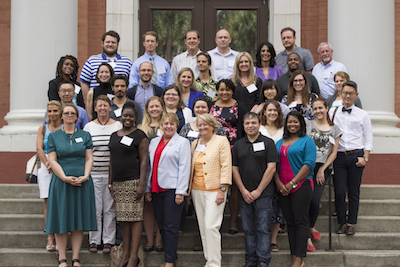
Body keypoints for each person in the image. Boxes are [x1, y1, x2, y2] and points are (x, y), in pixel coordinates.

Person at [46, 103, 97, 267]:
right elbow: (52, 160)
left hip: (82, 182)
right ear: (61, 116)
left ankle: (75, 258)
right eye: (66, 113)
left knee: (78, 220)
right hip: (61, 183)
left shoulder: (85, 135)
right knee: (62, 219)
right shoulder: (53, 136)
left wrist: (86, 176)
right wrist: (64, 177)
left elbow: (89, 158)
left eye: (72, 113)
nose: (69, 116)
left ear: (76, 117)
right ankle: (62, 258)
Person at [233, 112, 278, 267]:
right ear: (243, 126)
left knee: (263, 229)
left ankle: (263, 260)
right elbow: (234, 169)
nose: (250, 125)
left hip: (263, 194)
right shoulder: (238, 145)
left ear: (260, 124)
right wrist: (243, 190)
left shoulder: (268, 143)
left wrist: (258, 191)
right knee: (248, 229)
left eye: (253, 122)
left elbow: (271, 168)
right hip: (244, 195)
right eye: (247, 123)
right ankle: (250, 260)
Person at [145, 113, 191, 267]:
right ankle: (172, 254)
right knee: (162, 224)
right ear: (161, 125)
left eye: (172, 124)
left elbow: (185, 168)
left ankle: (169, 261)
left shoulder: (182, 142)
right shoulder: (154, 141)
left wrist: (181, 191)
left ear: (177, 126)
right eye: (165, 124)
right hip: (156, 189)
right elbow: (150, 167)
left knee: (171, 226)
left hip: (173, 189)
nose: (168, 126)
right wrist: (148, 188)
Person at [329, 81, 373, 236]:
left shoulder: (363, 114)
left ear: (356, 95)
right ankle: (341, 222)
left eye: (351, 93)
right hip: (339, 156)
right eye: (345, 92)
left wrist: (365, 157)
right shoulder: (333, 113)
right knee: (340, 191)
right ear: (340, 93)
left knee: (353, 192)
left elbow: (368, 138)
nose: (347, 96)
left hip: (356, 156)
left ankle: (351, 223)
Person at [274, 110, 316, 267]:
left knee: (300, 221)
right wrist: (278, 183)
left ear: (301, 124)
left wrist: (292, 183)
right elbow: (274, 165)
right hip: (282, 187)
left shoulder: (307, 141)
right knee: (290, 222)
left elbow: (309, 164)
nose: (292, 124)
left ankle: (299, 258)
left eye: (295, 121)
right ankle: (294, 253)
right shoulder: (279, 142)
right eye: (289, 122)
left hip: (301, 185)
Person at [109, 102, 148, 267]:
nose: (128, 118)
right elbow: (112, 161)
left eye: (131, 116)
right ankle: (124, 254)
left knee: (136, 218)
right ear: (121, 116)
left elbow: (144, 161)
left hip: (133, 182)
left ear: (135, 118)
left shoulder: (140, 135)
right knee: (124, 219)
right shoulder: (114, 135)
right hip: (118, 184)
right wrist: (110, 184)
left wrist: (141, 184)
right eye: (125, 115)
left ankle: (133, 256)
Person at [190, 114, 232, 267]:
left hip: (215, 190)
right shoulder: (194, 143)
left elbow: (226, 165)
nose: (202, 127)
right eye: (199, 125)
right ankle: (209, 260)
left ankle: (214, 263)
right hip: (196, 189)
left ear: (212, 125)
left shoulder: (221, 141)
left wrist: (223, 189)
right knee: (203, 227)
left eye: (205, 124)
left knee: (211, 226)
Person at [83, 95, 122, 254]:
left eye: (105, 105)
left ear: (109, 107)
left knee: (109, 209)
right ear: (95, 108)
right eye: (100, 106)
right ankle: (94, 240)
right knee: (95, 208)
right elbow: (85, 152)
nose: (103, 108)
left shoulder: (117, 125)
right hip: (93, 174)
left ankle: (108, 240)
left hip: (111, 174)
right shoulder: (88, 127)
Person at [210, 79, 247, 235]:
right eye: (221, 89)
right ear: (217, 90)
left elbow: (245, 128)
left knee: (234, 187)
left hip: (234, 148)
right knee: (216, 185)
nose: (224, 93)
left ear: (232, 91)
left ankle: (233, 221)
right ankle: (214, 222)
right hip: (214, 149)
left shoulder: (240, 106)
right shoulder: (211, 106)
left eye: (228, 90)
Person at [305, 98, 341, 251]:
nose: (318, 111)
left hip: (322, 168)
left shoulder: (335, 129)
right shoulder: (308, 125)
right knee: (305, 201)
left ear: (327, 108)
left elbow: (333, 153)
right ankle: (307, 237)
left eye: (320, 108)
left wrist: (322, 169)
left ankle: (311, 226)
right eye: (315, 108)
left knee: (315, 200)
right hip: (306, 167)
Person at [137, 96, 165, 252]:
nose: (154, 109)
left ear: (162, 107)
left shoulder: (167, 125)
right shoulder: (141, 128)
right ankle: (149, 240)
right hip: (146, 170)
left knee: (160, 207)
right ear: (147, 109)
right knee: (147, 207)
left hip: (163, 171)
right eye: (151, 106)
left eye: (157, 106)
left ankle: (159, 240)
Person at [258, 100, 285, 252]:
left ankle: (273, 240)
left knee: (277, 206)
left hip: (281, 171)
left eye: (275, 110)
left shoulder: (284, 129)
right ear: (264, 112)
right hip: (262, 171)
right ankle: (262, 238)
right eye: (269, 110)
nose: (272, 113)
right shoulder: (260, 128)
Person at [36, 100, 62, 251]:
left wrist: (57, 165)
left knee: (61, 202)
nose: (52, 114)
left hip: (62, 165)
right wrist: (48, 164)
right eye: (50, 111)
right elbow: (39, 149)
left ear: (60, 112)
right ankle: (50, 236)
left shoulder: (65, 128)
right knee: (48, 202)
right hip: (46, 167)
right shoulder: (43, 129)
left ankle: (61, 235)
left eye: (55, 111)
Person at [80, 31, 132, 104]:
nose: (110, 44)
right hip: (97, 106)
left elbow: (131, 83)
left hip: (120, 106)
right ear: (102, 43)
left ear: (117, 45)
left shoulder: (127, 62)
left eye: (113, 42)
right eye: (108, 42)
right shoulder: (92, 61)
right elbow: (84, 82)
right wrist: (89, 101)